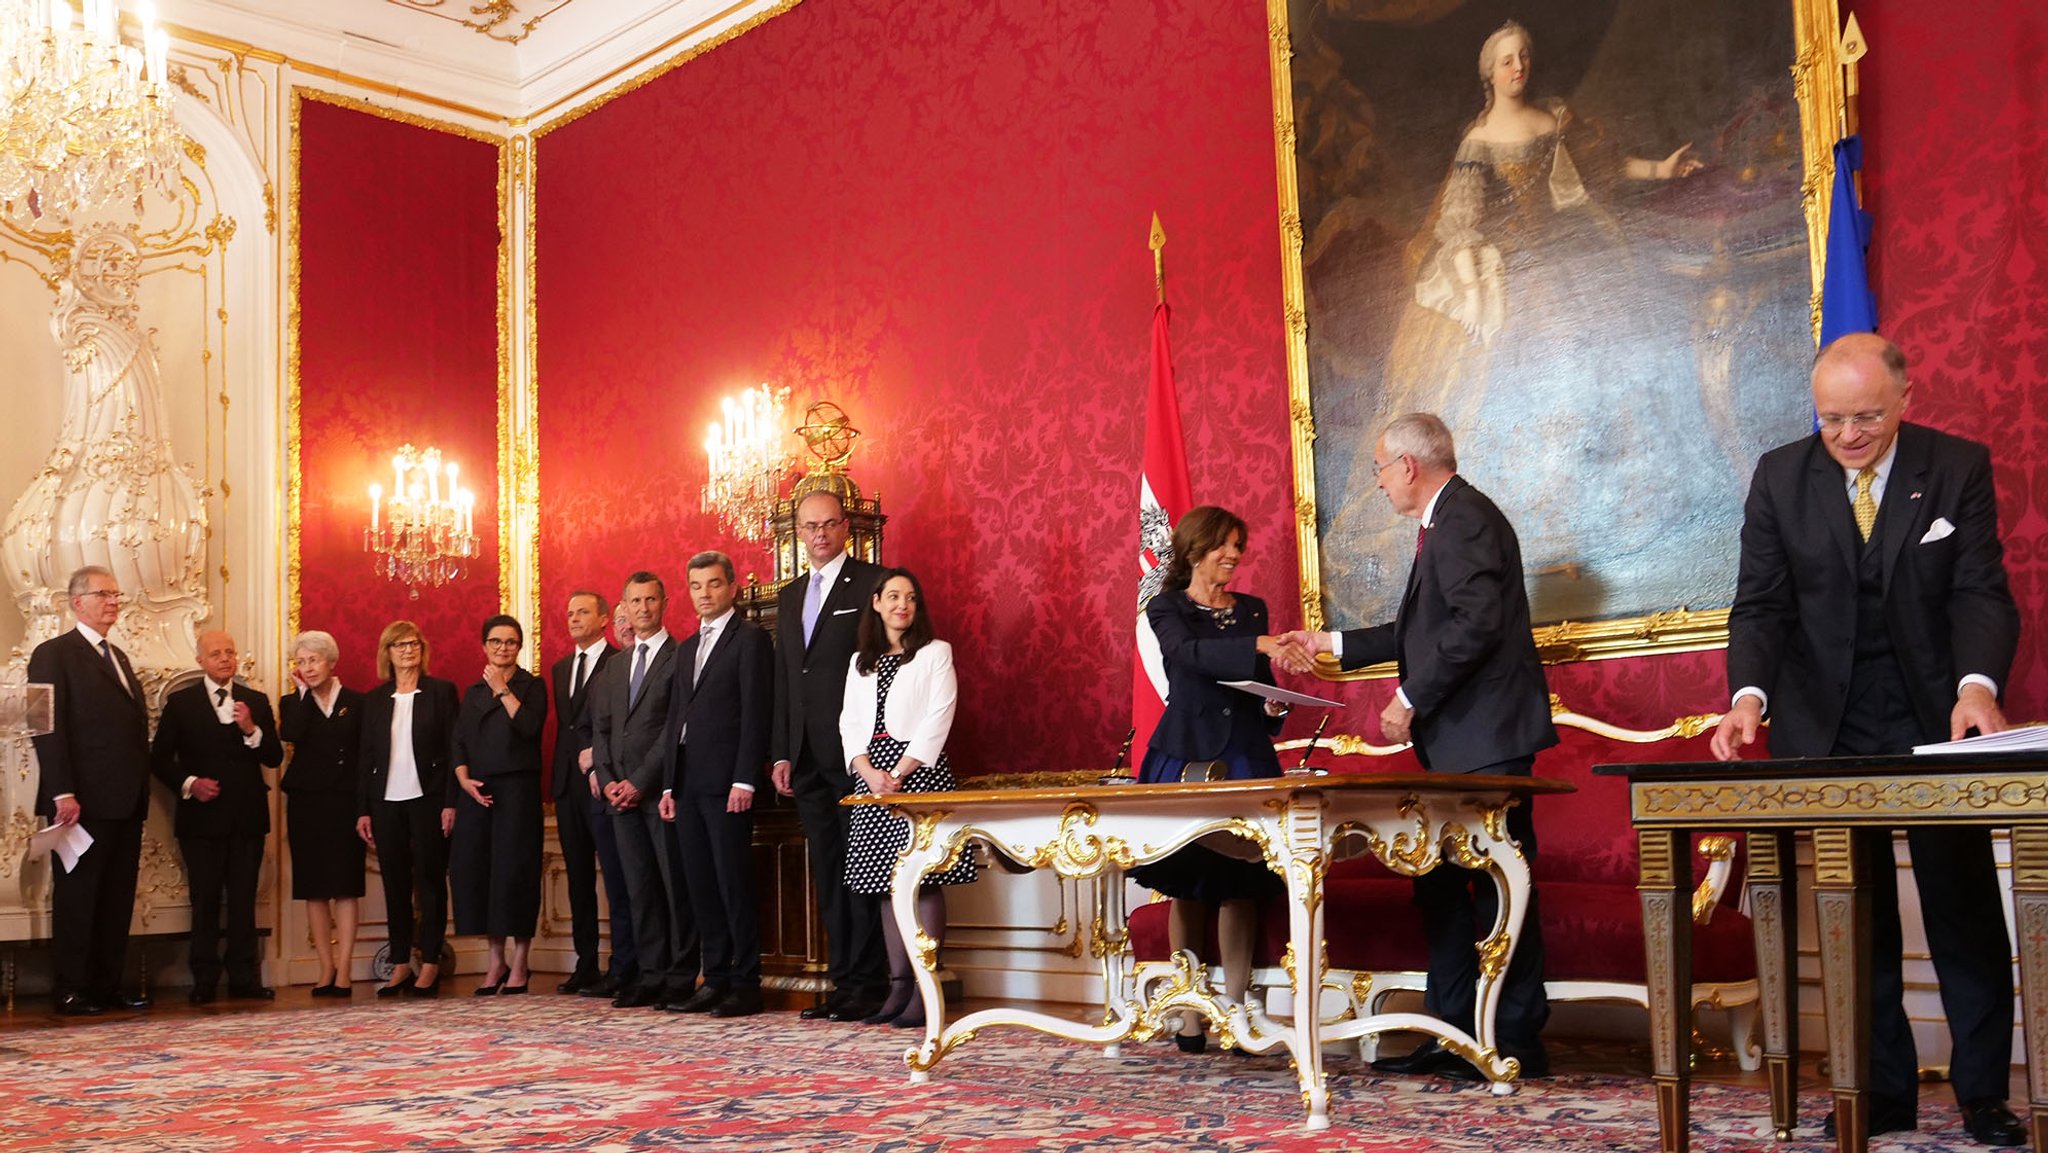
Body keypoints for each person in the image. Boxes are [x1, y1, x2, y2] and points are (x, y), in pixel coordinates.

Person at [1710, 333, 2025, 1147]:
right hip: (1825, 722)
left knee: (1962, 909)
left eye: (1867, 417)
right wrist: (1749, 697)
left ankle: (1985, 1095)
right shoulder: (1782, 476)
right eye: (1833, 419)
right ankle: (1881, 1092)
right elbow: (1762, 604)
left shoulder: (1954, 465)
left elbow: (1979, 591)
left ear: (1905, 400)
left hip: (1934, 718)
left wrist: (1976, 688)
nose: (1849, 434)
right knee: (1857, 914)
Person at [1322, 19, 1703, 609]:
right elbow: (1460, 222)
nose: (1518, 66)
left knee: (1581, 391)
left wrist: (1660, 169)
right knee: (1499, 401)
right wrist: (1476, 278)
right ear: (1489, 72)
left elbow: (1595, 176)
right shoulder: (1478, 141)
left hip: (1561, 273)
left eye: (1524, 55)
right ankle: (1527, 537)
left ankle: (1580, 527)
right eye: (1506, 59)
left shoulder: (1553, 123)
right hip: (1509, 278)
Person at [1287, 412, 1557, 1079]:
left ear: (1408, 464)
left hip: (1487, 743)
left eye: (1380, 467)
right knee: (1441, 883)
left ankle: (1512, 1039)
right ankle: (1452, 1029)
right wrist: (1334, 644)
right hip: (1464, 743)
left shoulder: (1463, 519)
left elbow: (1475, 627)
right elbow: (1422, 629)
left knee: (1500, 889)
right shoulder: (1445, 523)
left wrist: (1409, 700)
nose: (1378, 482)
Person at [1125, 507, 1296, 1052]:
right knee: (1188, 882)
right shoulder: (1166, 607)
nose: (1234, 556)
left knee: (1241, 884)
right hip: (1185, 756)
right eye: (1224, 545)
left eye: (1239, 546)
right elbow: (1189, 655)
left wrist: (1275, 706)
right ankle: (1190, 1010)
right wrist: (1261, 646)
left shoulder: (1252, 609)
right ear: (1195, 548)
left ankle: (1239, 1010)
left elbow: (1262, 684)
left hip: (1247, 756)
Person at [771, 489, 888, 1021]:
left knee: (863, 874)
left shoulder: (872, 585)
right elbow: (785, 679)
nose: (819, 534)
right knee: (829, 871)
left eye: (828, 525)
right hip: (807, 760)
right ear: (800, 531)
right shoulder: (791, 594)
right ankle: (844, 983)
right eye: (810, 526)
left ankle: (872, 985)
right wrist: (781, 752)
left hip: (856, 754)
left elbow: (886, 665)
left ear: (845, 527)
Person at [28, 566, 154, 1016]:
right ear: (77, 601)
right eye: (104, 594)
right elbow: (43, 725)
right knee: (79, 897)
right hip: (79, 803)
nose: (113, 602)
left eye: (117, 594)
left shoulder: (118, 656)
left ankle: (105, 985)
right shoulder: (52, 653)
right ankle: (70, 988)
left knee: (116, 898)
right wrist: (62, 790)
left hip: (125, 799)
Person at [658, 551, 773, 1018]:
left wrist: (746, 777)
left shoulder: (750, 641)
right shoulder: (686, 648)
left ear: (732, 588)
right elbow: (675, 721)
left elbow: (755, 713)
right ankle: (716, 977)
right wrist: (668, 784)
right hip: (686, 782)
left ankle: (745, 984)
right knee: (701, 886)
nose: (704, 594)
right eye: (696, 586)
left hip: (728, 783)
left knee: (732, 884)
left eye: (713, 584)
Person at [149, 629, 284, 1003]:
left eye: (230, 652)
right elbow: (159, 759)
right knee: (205, 900)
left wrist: (251, 730)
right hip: (201, 819)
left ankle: (245, 978)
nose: (225, 659)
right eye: (216, 654)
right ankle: (204, 979)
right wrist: (191, 783)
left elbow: (273, 756)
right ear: (201, 662)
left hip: (246, 818)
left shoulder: (255, 701)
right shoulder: (181, 703)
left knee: (244, 900)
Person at [589, 571, 699, 1011]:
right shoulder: (615, 665)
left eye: (650, 600)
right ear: (624, 607)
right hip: (619, 796)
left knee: (674, 887)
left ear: (665, 603)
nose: (643, 609)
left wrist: (640, 782)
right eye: (634, 602)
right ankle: (650, 975)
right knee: (638, 890)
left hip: (660, 794)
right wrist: (611, 777)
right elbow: (602, 730)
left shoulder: (680, 657)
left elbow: (674, 730)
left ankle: (679, 975)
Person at [356, 620, 459, 997]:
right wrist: (363, 810)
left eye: (413, 643)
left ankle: (430, 962)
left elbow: (453, 753)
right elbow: (365, 757)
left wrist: (451, 802)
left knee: (430, 883)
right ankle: (401, 963)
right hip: (386, 803)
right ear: (387, 653)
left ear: (422, 648)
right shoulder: (375, 700)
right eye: (398, 645)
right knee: (394, 885)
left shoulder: (441, 692)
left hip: (428, 800)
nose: (407, 650)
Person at [450, 615, 549, 996]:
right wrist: (462, 778)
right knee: (483, 874)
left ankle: (521, 962)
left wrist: (503, 690)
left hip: (518, 790)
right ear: (484, 645)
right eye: (495, 641)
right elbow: (458, 739)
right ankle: (496, 962)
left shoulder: (532, 685)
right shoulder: (473, 691)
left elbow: (529, 727)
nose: (502, 648)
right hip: (477, 792)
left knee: (516, 873)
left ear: (519, 647)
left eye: (510, 642)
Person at [549, 590, 631, 995]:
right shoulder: (561, 667)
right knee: (578, 878)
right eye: (569, 613)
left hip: (603, 782)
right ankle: (586, 963)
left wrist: (600, 763)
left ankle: (623, 965)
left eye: (583, 612)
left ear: (603, 619)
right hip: (567, 786)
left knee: (615, 876)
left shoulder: (620, 660)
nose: (574, 619)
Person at [278, 630, 367, 998]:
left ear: (332, 661)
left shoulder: (358, 702)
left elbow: (366, 756)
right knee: (315, 889)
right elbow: (293, 735)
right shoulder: (291, 701)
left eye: (313, 660)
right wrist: (301, 694)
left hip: (345, 802)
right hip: (307, 804)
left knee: (345, 888)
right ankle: (325, 967)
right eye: (301, 662)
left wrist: (365, 807)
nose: (307, 667)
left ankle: (345, 967)